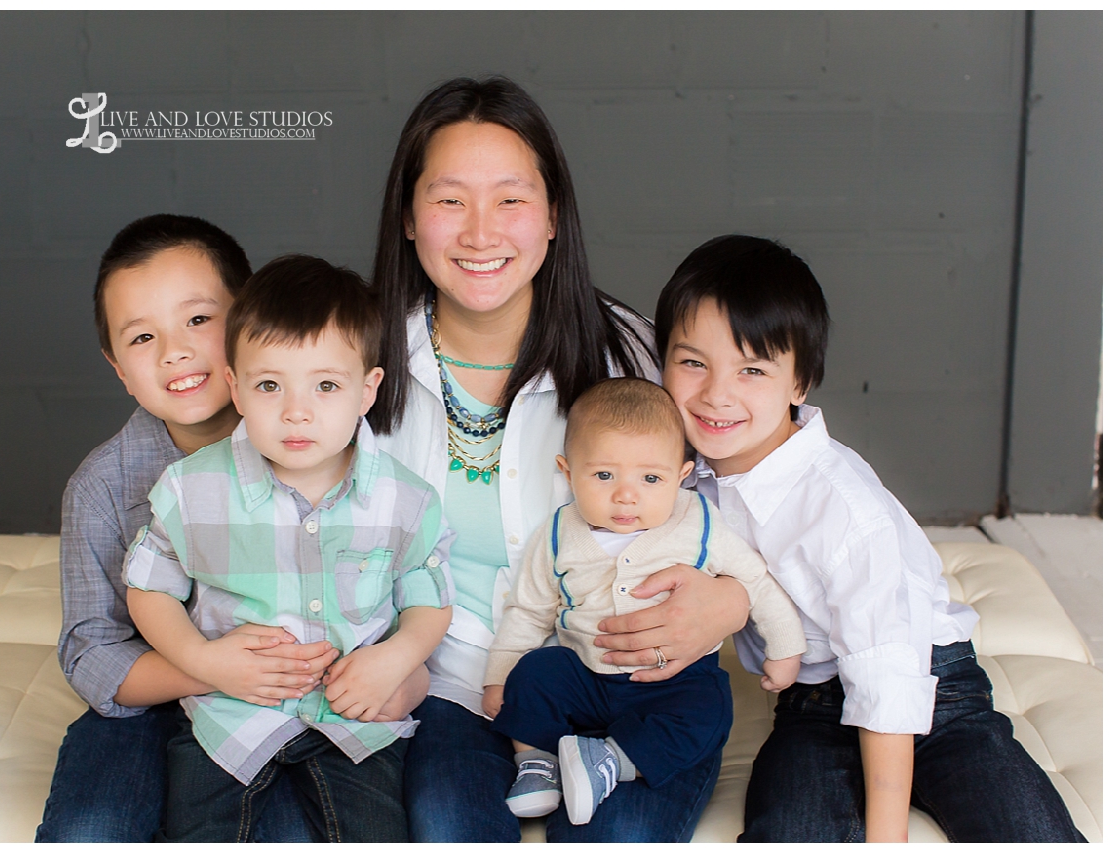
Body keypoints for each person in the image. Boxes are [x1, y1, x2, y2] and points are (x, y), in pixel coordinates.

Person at [369, 75, 752, 842]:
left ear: (552, 218)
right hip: (459, 683)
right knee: (449, 828)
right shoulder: (357, 360)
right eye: (449, 200)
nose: (481, 232)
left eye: (510, 199)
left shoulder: (634, 352)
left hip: (638, 681)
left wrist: (731, 600)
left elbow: (747, 483)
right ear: (409, 219)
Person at [654, 234, 1086, 843]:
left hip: (933, 690)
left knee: (1023, 829)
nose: (716, 393)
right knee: (791, 830)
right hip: (809, 706)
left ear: (799, 382)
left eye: (752, 370)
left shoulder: (844, 510)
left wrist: (887, 835)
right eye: (692, 362)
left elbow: (887, 682)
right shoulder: (681, 476)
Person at [124, 254, 454, 842]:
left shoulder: (406, 500)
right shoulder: (191, 489)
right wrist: (202, 661)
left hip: (355, 715)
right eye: (270, 385)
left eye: (326, 385)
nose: (296, 411)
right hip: (229, 712)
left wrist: (398, 656)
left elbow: (428, 599)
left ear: (366, 390)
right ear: (236, 387)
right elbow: (149, 589)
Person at [38, 216, 341, 843]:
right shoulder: (101, 486)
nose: (174, 351)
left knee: (285, 830)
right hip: (156, 699)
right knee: (88, 831)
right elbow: (90, 650)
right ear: (118, 366)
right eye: (142, 337)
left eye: (199, 320)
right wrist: (207, 668)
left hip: (287, 697)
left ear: (252, 315)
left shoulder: (317, 445)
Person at [480, 377, 806, 825]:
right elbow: (530, 610)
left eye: (651, 478)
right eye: (603, 475)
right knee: (535, 673)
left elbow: (756, 582)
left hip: (672, 679)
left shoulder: (698, 522)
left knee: (709, 709)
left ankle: (611, 759)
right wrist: (498, 677)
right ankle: (537, 764)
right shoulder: (558, 533)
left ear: (682, 477)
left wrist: (786, 649)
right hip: (585, 674)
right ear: (568, 471)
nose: (626, 495)